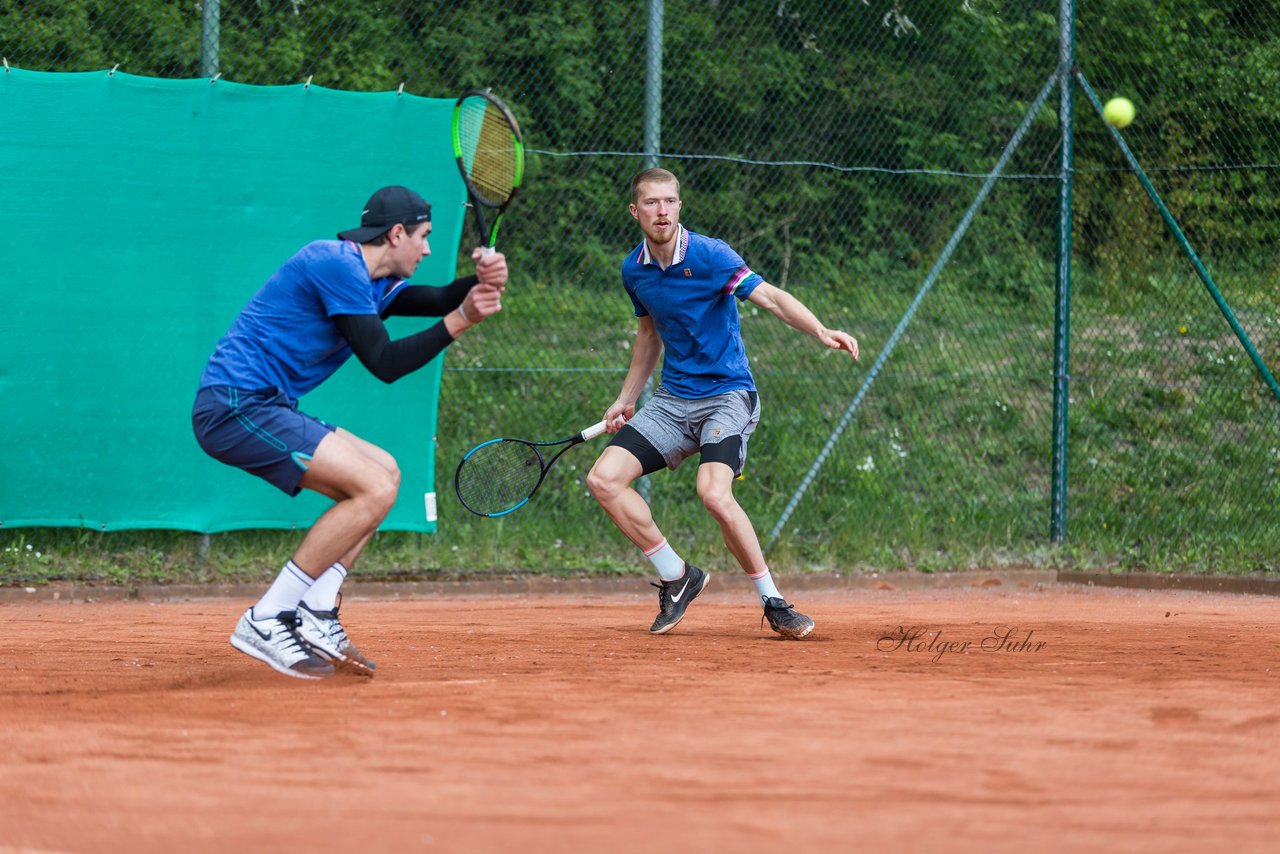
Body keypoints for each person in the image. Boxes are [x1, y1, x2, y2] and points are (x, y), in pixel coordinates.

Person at [193, 185, 507, 679]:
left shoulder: (374, 282)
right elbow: (384, 361)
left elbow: (444, 295)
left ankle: (317, 608)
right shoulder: (335, 264)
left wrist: (480, 279)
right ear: (397, 233)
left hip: (266, 403)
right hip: (234, 405)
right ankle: (268, 616)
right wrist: (462, 319)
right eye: (423, 237)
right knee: (372, 487)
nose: (427, 249)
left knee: (386, 470)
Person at [587, 167, 859, 639]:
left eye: (670, 201)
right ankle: (678, 575)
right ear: (635, 211)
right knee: (604, 479)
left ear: (680, 206)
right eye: (652, 203)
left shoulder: (712, 256)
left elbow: (770, 297)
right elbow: (649, 333)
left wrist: (820, 330)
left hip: (728, 396)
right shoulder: (634, 270)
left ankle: (773, 601)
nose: (662, 210)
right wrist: (626, 399)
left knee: (713, 493)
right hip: (673, 401)